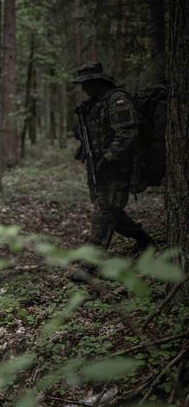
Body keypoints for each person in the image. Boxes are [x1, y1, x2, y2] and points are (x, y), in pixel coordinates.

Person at [71, 62, 153, 271]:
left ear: (99, 82)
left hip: (117, 168)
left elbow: (128, 133)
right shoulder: (92, 105)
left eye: (88, 84)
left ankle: (90, 264)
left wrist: (107, 158)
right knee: (109, 210)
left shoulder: (117, 100)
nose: (84, 89)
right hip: (98, 168)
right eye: (83, 84)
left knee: (105, 212)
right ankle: (143, 239)